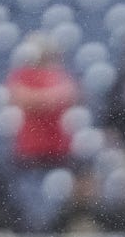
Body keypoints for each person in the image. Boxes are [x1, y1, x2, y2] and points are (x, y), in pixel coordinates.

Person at [5, 33, 79, 170]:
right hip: (30, 150)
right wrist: (48, 99)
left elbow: (69, 95)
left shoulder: (59, 75)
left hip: (59, 149)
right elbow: (22, 99)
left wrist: (42, 100)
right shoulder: (22, 75)